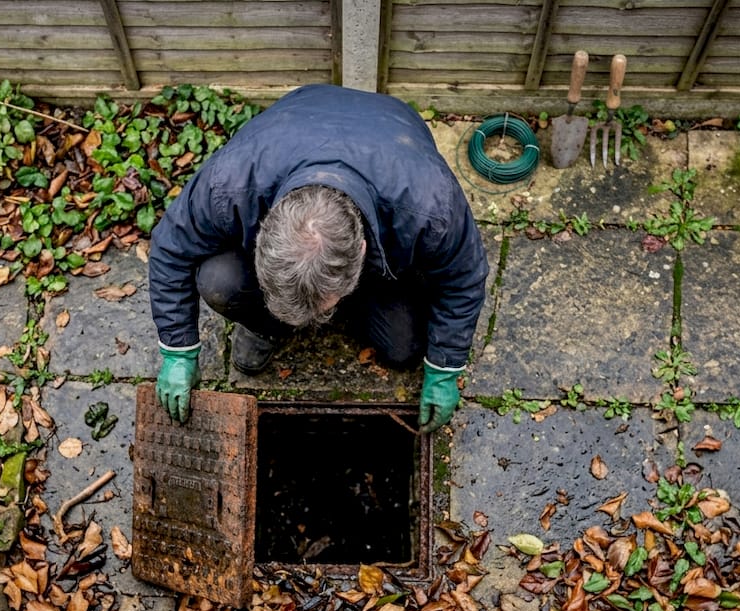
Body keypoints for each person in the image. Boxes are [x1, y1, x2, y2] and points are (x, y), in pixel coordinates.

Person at [149, 84, 488, 434]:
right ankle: (266, 325)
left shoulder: (430, 208)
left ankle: (348, 305)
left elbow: (464, 278)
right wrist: (178, 349)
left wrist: (445, 368)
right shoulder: (232, 183)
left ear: (360, 252)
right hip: (300, 115)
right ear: (263, 231)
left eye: (324, 305)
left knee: (404, 349)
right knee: (218, 281)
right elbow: (170, 247)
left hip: (391, 139)